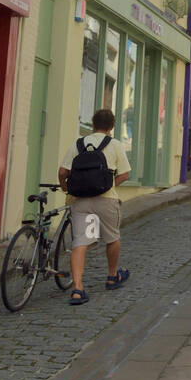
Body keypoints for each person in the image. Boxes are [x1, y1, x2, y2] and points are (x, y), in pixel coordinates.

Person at [57, 108, 131, 305]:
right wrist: (107, 185)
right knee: (112, 238)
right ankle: (112, 276)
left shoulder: (79, 144)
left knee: (81, 242)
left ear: (92, 124)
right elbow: (125, 174)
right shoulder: (115, 144)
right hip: (105, 200)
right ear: (112, 126)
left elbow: (63, 171)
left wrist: (68, 189)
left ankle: (78, 288)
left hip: (82, 202)